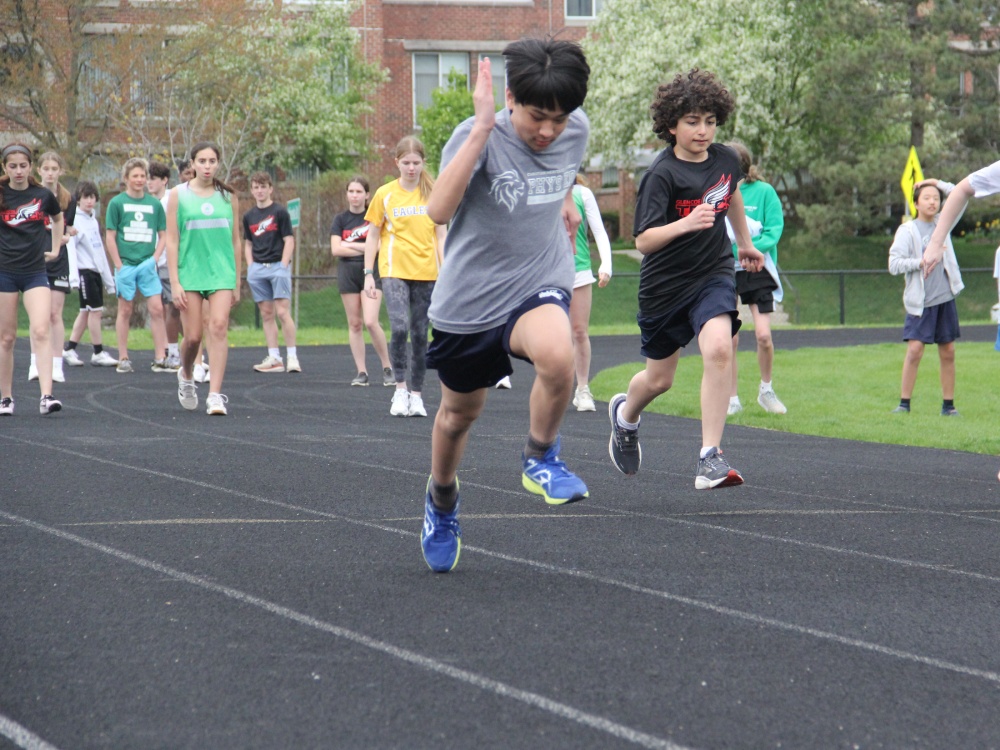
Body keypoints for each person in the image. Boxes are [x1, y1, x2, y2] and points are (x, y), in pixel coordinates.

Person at [419, 38, 592, 572]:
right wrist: (481, 128)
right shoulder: (478, 137)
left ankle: (540, 457)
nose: (549, 131)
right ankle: (441, 502)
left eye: (560, 120)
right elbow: (438, 211)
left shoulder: (576, 132)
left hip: (537, 277)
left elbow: (561, 167)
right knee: (456, 416)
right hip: (469, 301)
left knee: (558, 354)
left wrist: (564, 198)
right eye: (538, 117)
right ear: (511, 98)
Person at [606, 68, 764, 489]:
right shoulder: (661, 175)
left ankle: (709, 457)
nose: (703, 130)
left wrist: (744, 242)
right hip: (664, 285)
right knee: (659, 379)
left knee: (718, 349)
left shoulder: (726, 159)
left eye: (710, 121)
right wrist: (686, 222)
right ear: (671, 125)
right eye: (693, 121)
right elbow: (643, 240)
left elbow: (730, 194)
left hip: (712, 274)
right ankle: (625, 416)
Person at [363, 136, 446, 418]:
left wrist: (445, 270)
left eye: (416, 163)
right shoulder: (384, 194)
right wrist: (367, 274)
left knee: (421, 334)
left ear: (424, 163)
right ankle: (400, 389)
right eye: (407, 163)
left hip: (427, 272)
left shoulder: (434, 192)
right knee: (399, 327)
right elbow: (373, 234)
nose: (411, 168)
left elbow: (441, 235)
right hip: (394, 270)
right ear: (397, 162)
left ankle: (417, 395)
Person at [166, 142, 241, 416]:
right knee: (194, 337)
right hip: (190, 273)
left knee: (219, 326)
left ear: (218, 164)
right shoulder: (178, 195)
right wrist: (175, 281)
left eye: (212, 161)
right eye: (202, 161)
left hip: (221, 272)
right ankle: (186, 375)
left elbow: (235, 241)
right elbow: (172, 240)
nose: (207, 166)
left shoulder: (228, 196)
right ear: (193, 164)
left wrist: (237, 281)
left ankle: (215, 395)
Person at [889, 180, 964, 416]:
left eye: (936, 198)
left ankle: (948, 407)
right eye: (927, 197)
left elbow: (958, 193)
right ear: (916, 203)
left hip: (944, 298)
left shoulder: (944, 222)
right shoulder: (907, 231)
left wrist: (933, 182)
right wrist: (921, 261)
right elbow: (893, 264)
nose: (933, 201)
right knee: (915, 350)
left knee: (948, 351)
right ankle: (904, 404)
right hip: (920, 302)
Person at [0, 143, 64, 415]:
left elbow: (58, 218)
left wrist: (57, 247)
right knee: (7, 337)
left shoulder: (42, 195)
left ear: (30, 167)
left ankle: (47, 395)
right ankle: (6, 398)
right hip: (5, 272)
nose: (18, 171)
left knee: (40, 329)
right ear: (5, 167)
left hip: (35, 271)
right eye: (12, 166)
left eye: (23, 166)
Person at [725, 141, 787, 416]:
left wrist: (750, 251)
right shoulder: (716, 193)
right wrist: (736, 252)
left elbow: (774, 230)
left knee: (763, 335)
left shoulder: (764, 192)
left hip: (758, 268)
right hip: (725, 268)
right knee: (729, 337)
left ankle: (766, 389)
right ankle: (731, 397)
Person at [105, 157, 169, 374]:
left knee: (157, 309)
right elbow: (111, 236)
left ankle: (161, 357)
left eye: (143, 176)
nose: (140, 180)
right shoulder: (117, 203)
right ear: (126, 179)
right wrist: (118, 265)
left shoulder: (154, 205)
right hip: (126, 265)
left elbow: (163, 235)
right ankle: (123, 357)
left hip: (148, 265)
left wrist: (155, 258)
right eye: (136, 176)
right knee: (125, 309)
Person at [330, 176, 393, 387]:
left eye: (359, 192)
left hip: (371, 273)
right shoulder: (340, 220)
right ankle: (362, 372)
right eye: (351, 191)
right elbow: (336, 249)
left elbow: (376, 247)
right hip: (347, 273)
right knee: (354, 323)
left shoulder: (373, 216)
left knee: (371, 321)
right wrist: (363, 245)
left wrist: (352, 244)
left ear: (367, 195)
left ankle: (387, 367)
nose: (354, 196)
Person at [243, 172, 299, 373]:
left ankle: (292, 356)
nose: (259, 190)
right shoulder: (248, 216)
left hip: (278, 267)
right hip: (258, 269)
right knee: (267, 314)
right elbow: (248, 243)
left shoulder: (280, 212)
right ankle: (274, 357)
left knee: (283, 312)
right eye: (256, 187)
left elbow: (289, 240)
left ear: (270, 188)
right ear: (252, 190)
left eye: (263, 186)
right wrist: (250, 266)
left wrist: (283, 265)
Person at [62, 181, 118, 368]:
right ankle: (98, 352)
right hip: (84, 272)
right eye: (85, 197)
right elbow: (71, 249)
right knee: (96, 312)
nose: (89, 201)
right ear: (78, 199)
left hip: (95, 272)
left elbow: (100, 251)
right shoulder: (75, 221)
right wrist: (74, 277)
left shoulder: (93, 220)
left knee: (86, 312)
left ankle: (69, 348)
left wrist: (108, 279)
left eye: (92, 197)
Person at [30, 152, 74, 384]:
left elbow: (68, 229)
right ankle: (34, 362)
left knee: (54, 314)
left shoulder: (68, 199)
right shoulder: (32, 196)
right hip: (34, 259)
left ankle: (57, 364)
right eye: (45, 168)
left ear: (60, 171)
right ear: (39, 171)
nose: (49, 172)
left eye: (54, 169)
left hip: (58, 261)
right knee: (38, 316)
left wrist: (65, 237)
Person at [569, 174, 612, 412]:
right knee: (552, 336)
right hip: (547, 272)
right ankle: (553, 388)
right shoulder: (538, 190)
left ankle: (582, 388)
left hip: (579, 270)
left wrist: (606, 264)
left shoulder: (582, 194)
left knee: (579, 331)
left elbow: (599, 231)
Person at [147, 160, 181, 371]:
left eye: (153, 178)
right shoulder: (147, 203)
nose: (148, 182)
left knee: (174, 307)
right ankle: (164, 353)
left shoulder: (171, 201)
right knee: (156, 310)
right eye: (147, 178)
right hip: (150, 263)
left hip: (169, 262)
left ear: (164, 180)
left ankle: (180, 353)